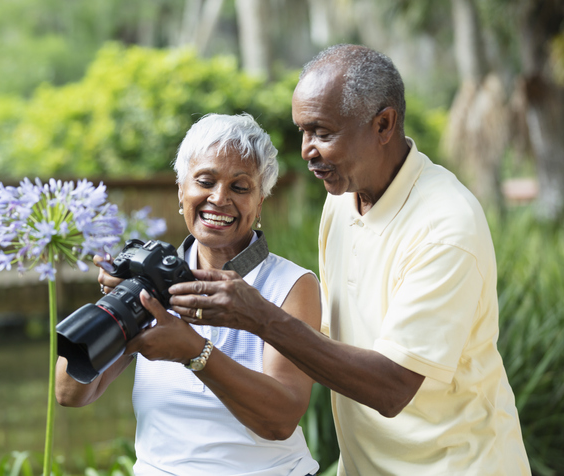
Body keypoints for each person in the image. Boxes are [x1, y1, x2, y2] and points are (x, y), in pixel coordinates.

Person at [168, 45, 531, 475]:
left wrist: (260, 318)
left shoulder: (446, 227)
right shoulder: (341, 201)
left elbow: (392, 388)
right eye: (302, 131)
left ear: (383, 124)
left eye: (322, 132)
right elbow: (328, 346)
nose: (306, 150)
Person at [56, 113, 322, 476]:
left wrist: (194, 352)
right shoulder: (150, 282)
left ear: (260, 202)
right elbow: (71, 393)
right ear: (182, 191)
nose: (219, 198)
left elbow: (280, 421)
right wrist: (111, 305)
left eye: (240, 188)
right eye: (205, 181)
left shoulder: (292, 284)